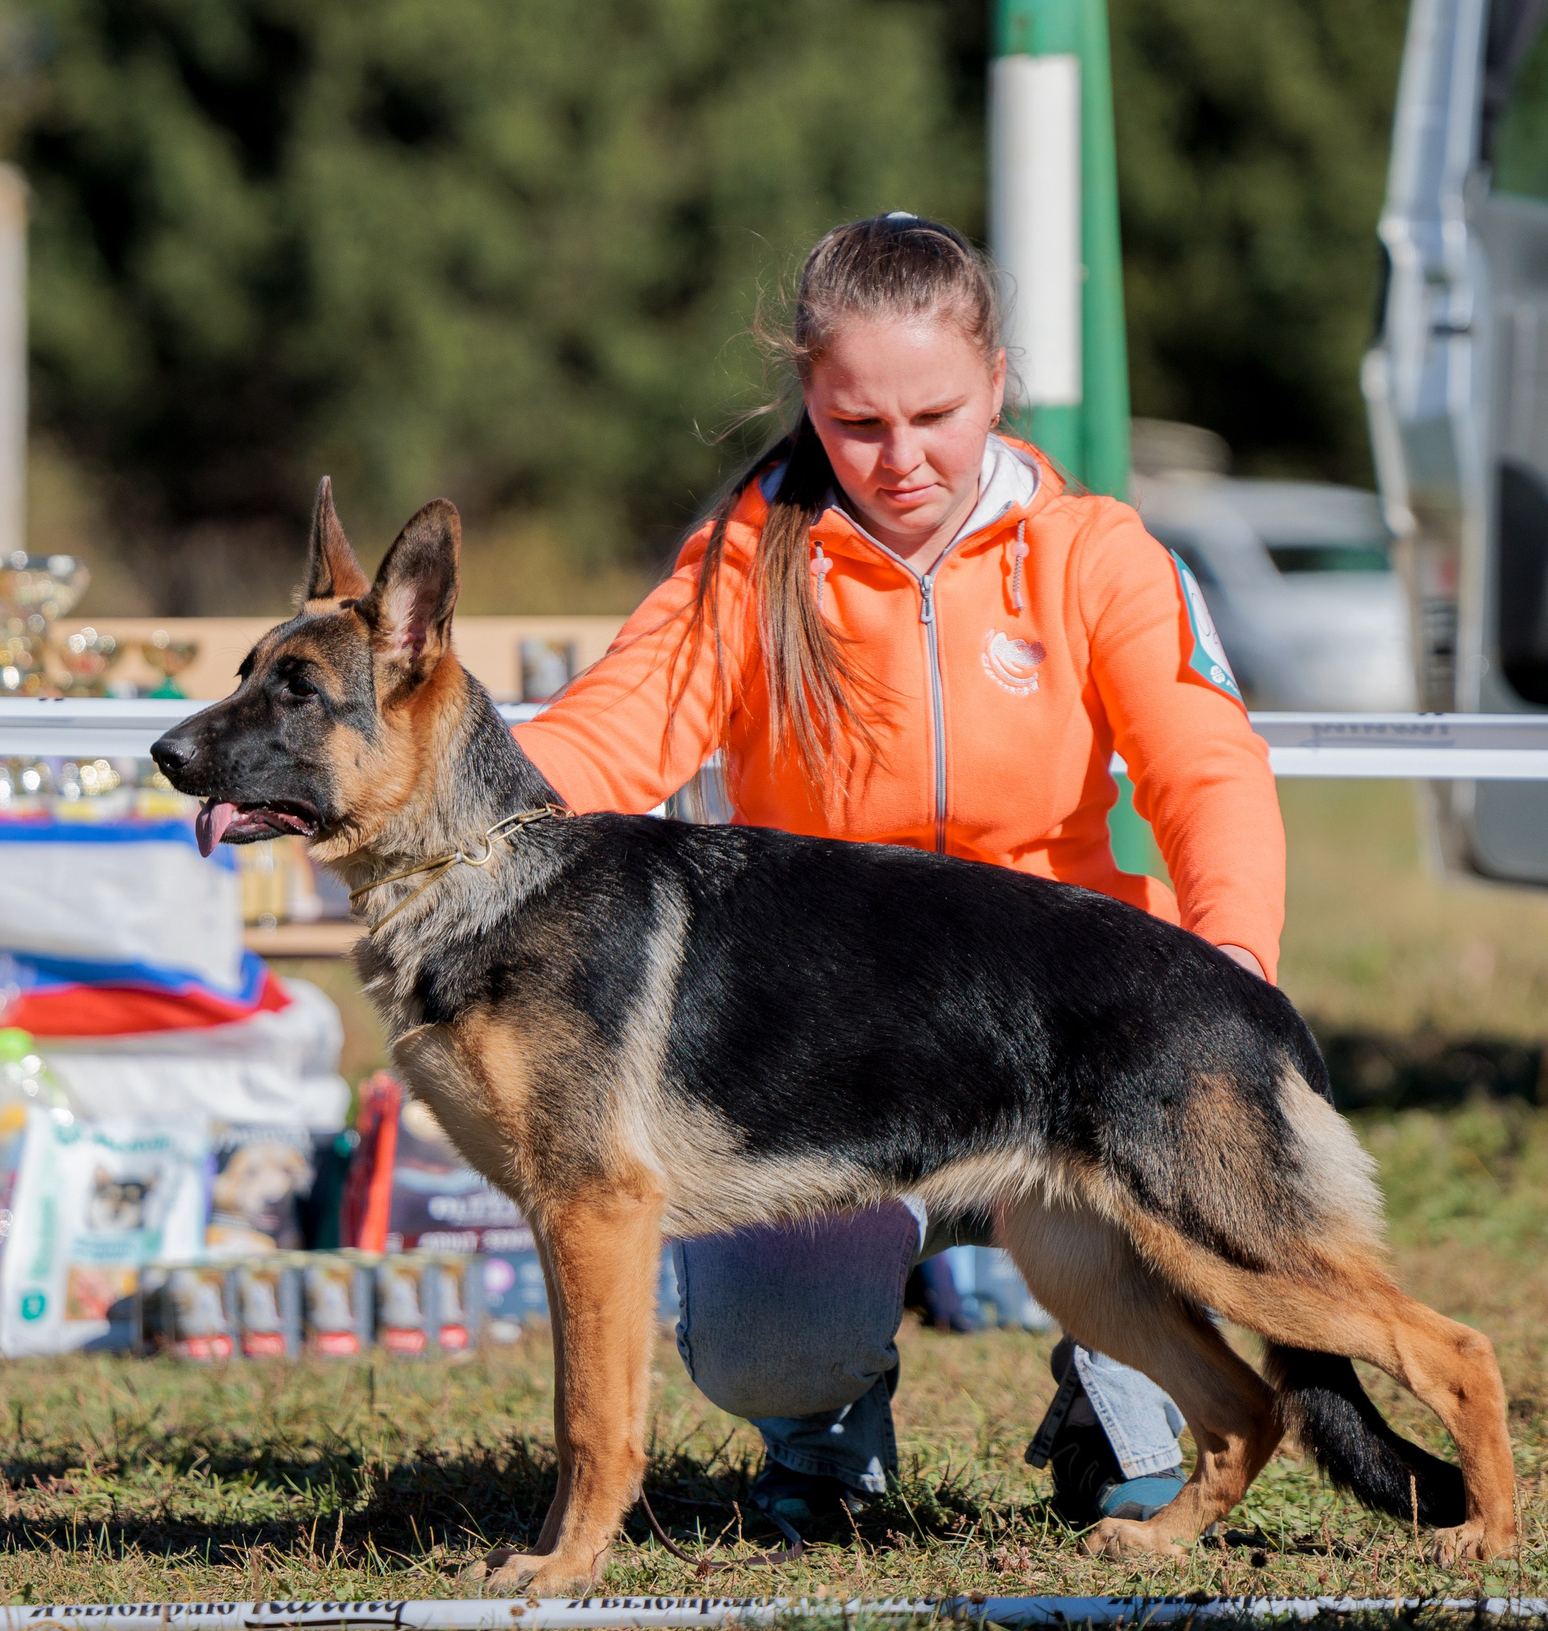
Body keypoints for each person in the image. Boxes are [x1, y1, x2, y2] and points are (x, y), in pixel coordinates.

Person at [507, 214, 1286, 1529]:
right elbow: (609, 735)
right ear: (809, 394)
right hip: (823, 1041)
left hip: (1074, 1022)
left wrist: (1237, 982)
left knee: (1172, 1271)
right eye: (859, 424)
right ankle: (824, 1418)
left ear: (995, 383)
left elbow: (1209, 772)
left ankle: (1114, 1384)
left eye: (937, 414)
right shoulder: (752, 559)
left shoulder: (1097, 553)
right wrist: (448, 802)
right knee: (768, 1348)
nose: (902, 459)